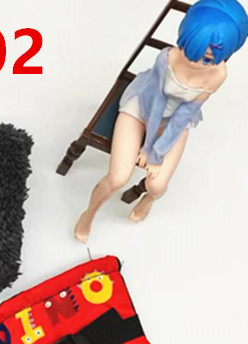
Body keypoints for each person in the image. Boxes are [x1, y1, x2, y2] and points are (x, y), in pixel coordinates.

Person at [74, 0, 248, 243]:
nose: (195, 62)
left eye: (208, 59)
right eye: (191, 50)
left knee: (157, 186)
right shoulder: (167, 59)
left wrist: (158, 152)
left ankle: (148, 199)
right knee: (118, 177)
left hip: (176, 119)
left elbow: (186, 113)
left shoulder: (218, 74)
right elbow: (153, 104)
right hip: (143, 107)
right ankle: (89, 213)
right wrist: (148, 148)